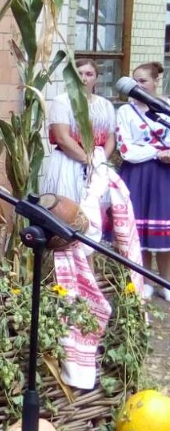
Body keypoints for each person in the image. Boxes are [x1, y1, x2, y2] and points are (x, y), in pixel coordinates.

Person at [115, 61, 170, 299]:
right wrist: (157, 152)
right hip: (138, 174)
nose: (138, 85)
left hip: (165, 175)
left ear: (156, 82)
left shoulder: (167, 107)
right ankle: (145, 280)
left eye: (143, 81)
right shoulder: (125, 112)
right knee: (142, 230)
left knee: (164, 230)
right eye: (135, 81)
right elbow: (126, 150)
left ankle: (166, 281)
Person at [40, 58, 116, 203]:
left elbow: (110, 138)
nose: (83, 78)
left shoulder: (106, 105)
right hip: (68, 161)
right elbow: (62, 138)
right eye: (79, 73)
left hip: (98, 162)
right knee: (67, 205)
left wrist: (99, 162)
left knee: (95, 205)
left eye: (89, 74)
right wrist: (88, 160)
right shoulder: (62, 102)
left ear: (96, 78)